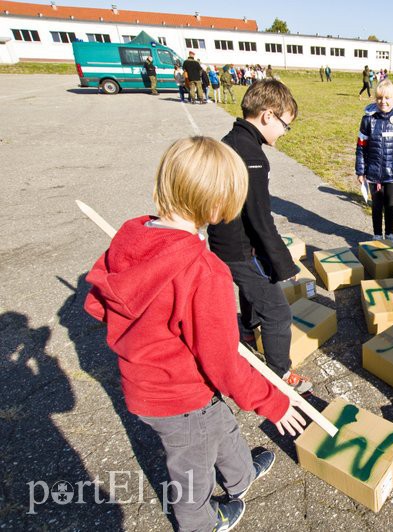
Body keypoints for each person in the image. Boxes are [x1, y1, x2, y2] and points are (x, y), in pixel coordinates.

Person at [83, 136, 307, 531]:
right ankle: (200, 521)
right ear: (218, 205)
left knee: (219, 423)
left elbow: (98, 304)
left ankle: (240, 475)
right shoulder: (205, 272)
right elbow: (222, 363)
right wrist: (274, 402)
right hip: (177, 396)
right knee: (191, 465)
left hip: (152, 383)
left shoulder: (131, 234)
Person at [207, 79, 313, 395]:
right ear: (267, 115)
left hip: (224, 241)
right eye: (284, 125)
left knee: (253, 288)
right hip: (238, 247)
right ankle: (280, 373)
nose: (284, 132)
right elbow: (260, 218)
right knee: (278, 311)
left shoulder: (233, 140)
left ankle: (250, 331)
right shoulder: (252, 155)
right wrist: (283, 264)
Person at [355, 79, 393, 243]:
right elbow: (361, 147)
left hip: (392, 175)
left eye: (387, 98)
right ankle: (377, 235)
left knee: (390, 205)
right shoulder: (368, 120)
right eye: (379, 98)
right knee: (376, 206)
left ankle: (390, 235)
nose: (383, 102)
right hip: (373, 173)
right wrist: (360, 171)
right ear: (375, 98)